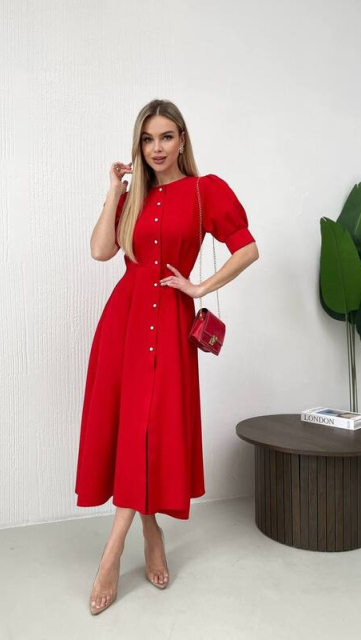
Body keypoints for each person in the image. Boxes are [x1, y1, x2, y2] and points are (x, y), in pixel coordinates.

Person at [75, 99, 259, 615]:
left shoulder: (206, 191)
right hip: (124, 324)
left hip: (171, 326)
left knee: (151, 428)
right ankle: (150, 530)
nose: (156, 148)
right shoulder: (133, 195)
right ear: (139, 145)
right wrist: (114, 191)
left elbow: (247, 248)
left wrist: (198, 286)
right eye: (147, 139)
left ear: (182, 139)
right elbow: (100, 251)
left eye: (166, 137)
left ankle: (111, 554)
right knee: (132, 430)